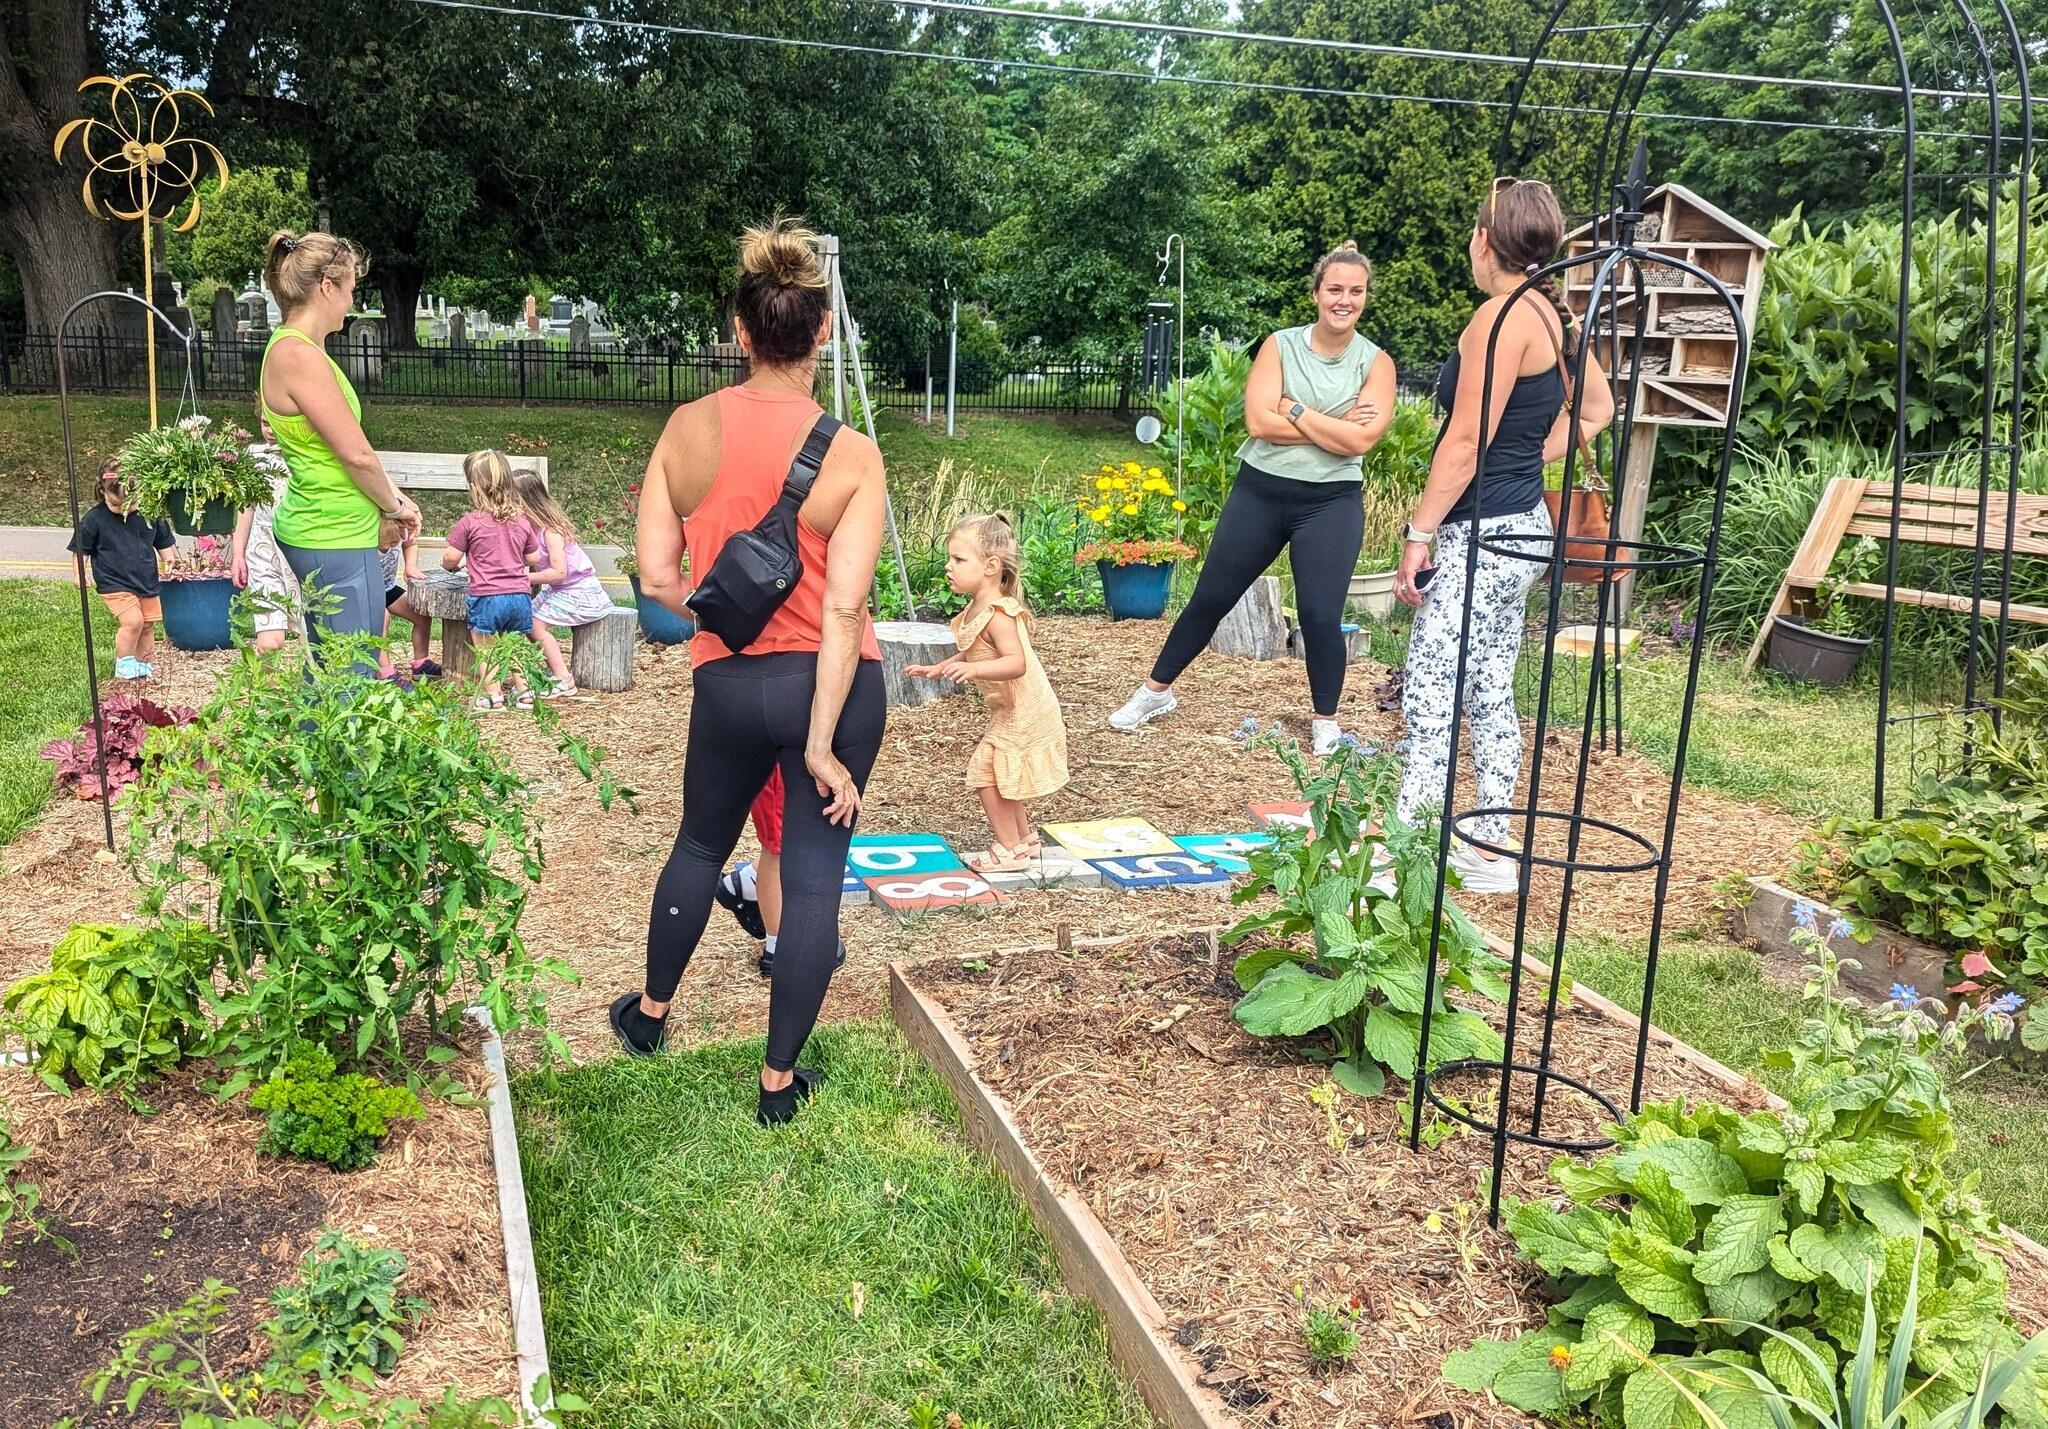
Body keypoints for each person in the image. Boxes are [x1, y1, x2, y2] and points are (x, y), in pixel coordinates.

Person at [610, 217, 889, 1128]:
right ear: (821, 334)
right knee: (813, 879)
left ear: (739, 332)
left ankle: (649, 1017)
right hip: (832, 689)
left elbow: (654, 575)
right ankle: (777, 1084)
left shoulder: (686, 430)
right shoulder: (851, 453)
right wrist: (818, 738)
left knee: (698, 843)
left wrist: (716, 601)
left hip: (727, 679)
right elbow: (844, 609)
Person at [1392, 177, 1616, 895]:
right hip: (1527, 529)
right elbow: (1599, 408)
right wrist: (1532, 455)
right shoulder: (1552, 316)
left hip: (1480, 534)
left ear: (1486, 240)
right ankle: (1491, 847)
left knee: (1430, 686)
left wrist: (1419, 531)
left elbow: (1464, 440)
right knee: (1489, 684)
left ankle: (1409, 852)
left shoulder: (1499, 316)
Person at [1108, 243, 1399, 755]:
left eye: (1356, 291)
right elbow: (1258, 421)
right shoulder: (1280, 346)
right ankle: (1154, 693)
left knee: (1319, 613)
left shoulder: (1376, 363)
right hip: (1261, 491)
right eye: (1335, 289)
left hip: (1332, 502)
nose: (1344, 300)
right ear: (1316, 294)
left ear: (1366, 297)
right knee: (1211, 598)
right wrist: (1328, 424)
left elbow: (1359, 442)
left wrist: (1293, 408)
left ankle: (1325, 725)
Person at [258, 230, 422, 654]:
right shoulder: (298, 356)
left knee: (335, 678)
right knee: (349, 678)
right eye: (350, 289)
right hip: (332, 533)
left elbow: (338, 452)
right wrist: (397, 506)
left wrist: (390, 507)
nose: (352, 301)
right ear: (327, 287)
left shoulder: (299, 349)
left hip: (337, 529)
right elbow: (355, 455)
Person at [906, 513, 1069, 872]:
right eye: (950, 559)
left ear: (992, 566)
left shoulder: (1000, 613)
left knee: (983, 773)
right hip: (1010, 709)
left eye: (959, 560)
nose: (948, 567)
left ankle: (1008, 849)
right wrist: (943, 666)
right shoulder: (977, 610)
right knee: (1001, 774)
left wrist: (973, 669)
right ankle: (1024, 841)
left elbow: (1016, 663)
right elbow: (978, 648)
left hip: (1027, 709)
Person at [713, 775, 848, 979]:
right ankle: (778, 946)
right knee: (780, 845)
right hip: (778, 758)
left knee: (800, 833)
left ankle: (746, 883)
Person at [440, 450, 543, 711]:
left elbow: (450, 558)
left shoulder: (470, 522)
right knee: (515, 646)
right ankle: (525, 693)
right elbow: (533, 556)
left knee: (485, 649)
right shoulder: (521, 521)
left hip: (487, 597)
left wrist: (454, 563)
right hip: (519, 596)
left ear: (474, 488)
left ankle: (494, 696)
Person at [510, 466, 616, 698]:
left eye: (512, 501)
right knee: (523, 619)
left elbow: (559, 572)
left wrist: (523, 577)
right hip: (558, 589)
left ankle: (564, 679)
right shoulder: (530, 529)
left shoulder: (551, 531)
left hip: (579, 590)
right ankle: (548, 668)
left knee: (535, 625)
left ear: (527, 502)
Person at [70, 468, 175, 679]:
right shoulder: (94, 519)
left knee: (146, 625)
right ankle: (124, 665)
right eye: (116, 505)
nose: (124, 510)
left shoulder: (149, 513)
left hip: (146, 579)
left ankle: (143, 666)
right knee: (133, 621)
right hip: (113, 582)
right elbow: (81, 550)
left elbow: (162, 539)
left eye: (131, 504)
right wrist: (79, 573)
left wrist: (169, 557)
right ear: (103, 491)